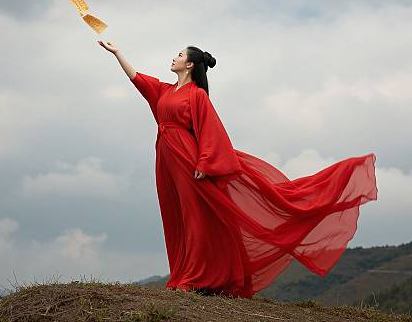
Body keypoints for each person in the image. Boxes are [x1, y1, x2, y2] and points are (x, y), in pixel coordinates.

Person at [98, 40, 378, 298]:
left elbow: (211, 132)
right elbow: (136, 79)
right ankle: (189, 275)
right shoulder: (166, 91)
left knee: (195, 218)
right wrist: (117, 53)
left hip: (187, 160)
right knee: (177, 218)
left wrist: (205, 163)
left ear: (191, 64)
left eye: (180, 55)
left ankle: (196, 279)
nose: (174, 58)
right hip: (165, 159)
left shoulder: (197, 96)